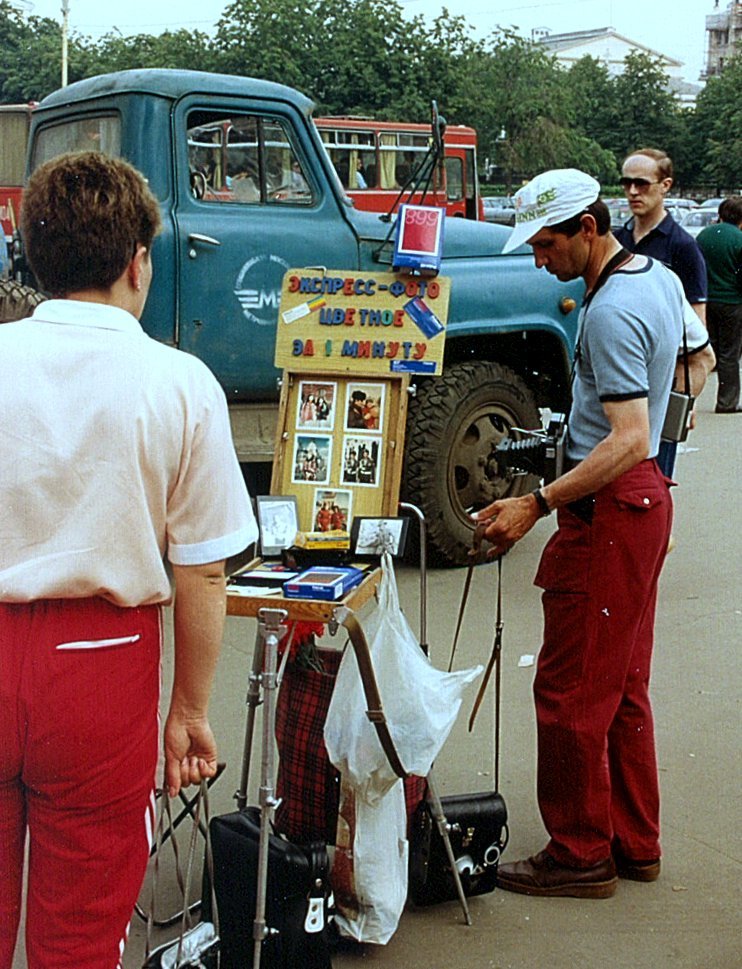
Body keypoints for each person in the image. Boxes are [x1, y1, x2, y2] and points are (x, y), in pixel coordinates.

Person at [0, 152, 257, 968]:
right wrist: (187, 707)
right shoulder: (178, 382)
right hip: (100, 666)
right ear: (137, 262)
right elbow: (203, 568)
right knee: (80, 934)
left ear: (31, 252)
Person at [478, 168, 713, 900]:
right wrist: (678, 405)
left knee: (570, 687)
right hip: (640, 505)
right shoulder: (660, 276)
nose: (538, 259)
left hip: (609, 508)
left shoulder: (610, 309)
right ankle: (635, 840)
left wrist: (536, 502)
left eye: (546, 245)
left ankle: (581, 850)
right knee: (623, 681)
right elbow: (699, 359)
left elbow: (627, 438)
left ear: (587, 227)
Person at [614, 148, 709, 476]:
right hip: (622, 373)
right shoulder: (618, 240)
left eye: (642, 183)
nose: (632, 192)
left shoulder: (681, 246)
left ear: (665, 185)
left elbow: (697, 327)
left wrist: (689, 397)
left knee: (656, 478)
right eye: (626, 183)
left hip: (664, 382)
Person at [696, 196, 742, 413]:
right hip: (732, 301)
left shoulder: (702, 236)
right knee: (730, 353)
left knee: (708, 347)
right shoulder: (739, 239)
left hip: (706, 299)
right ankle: (726, 401)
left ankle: (693, 396)